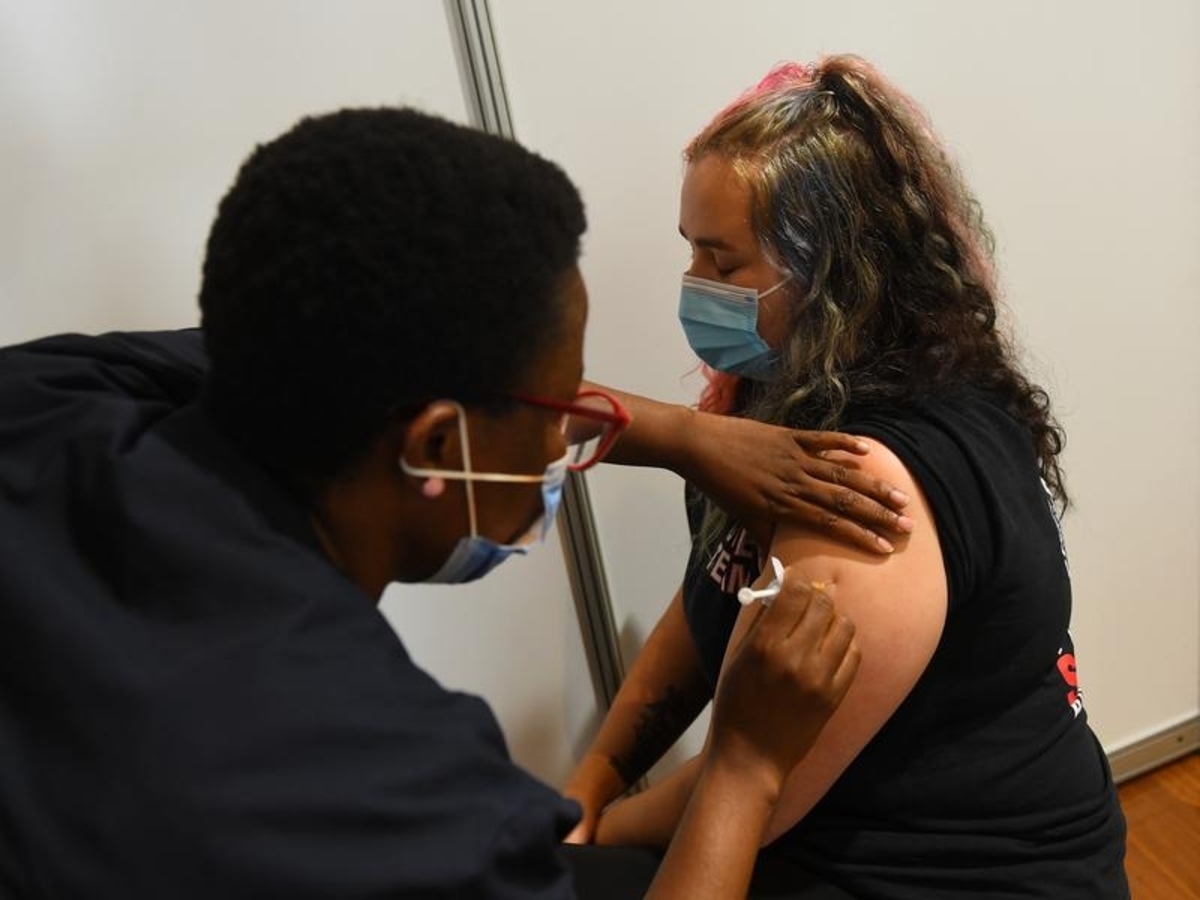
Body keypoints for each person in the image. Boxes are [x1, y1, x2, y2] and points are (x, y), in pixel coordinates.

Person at [0, 106, 888, 898]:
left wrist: (683, 437)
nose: (567, 438)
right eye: (555, 409)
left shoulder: (49, 404)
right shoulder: (389, 785)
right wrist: (743, 765)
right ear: (434, 446)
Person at [564, 55, 1130, 898]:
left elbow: (754, 783)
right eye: (691, 252)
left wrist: (593, 833)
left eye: (724, 264)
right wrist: (594, 778)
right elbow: (714, 588)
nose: (694, 288)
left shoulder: (859, 489)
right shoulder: (780, 399)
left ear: (831, 271)